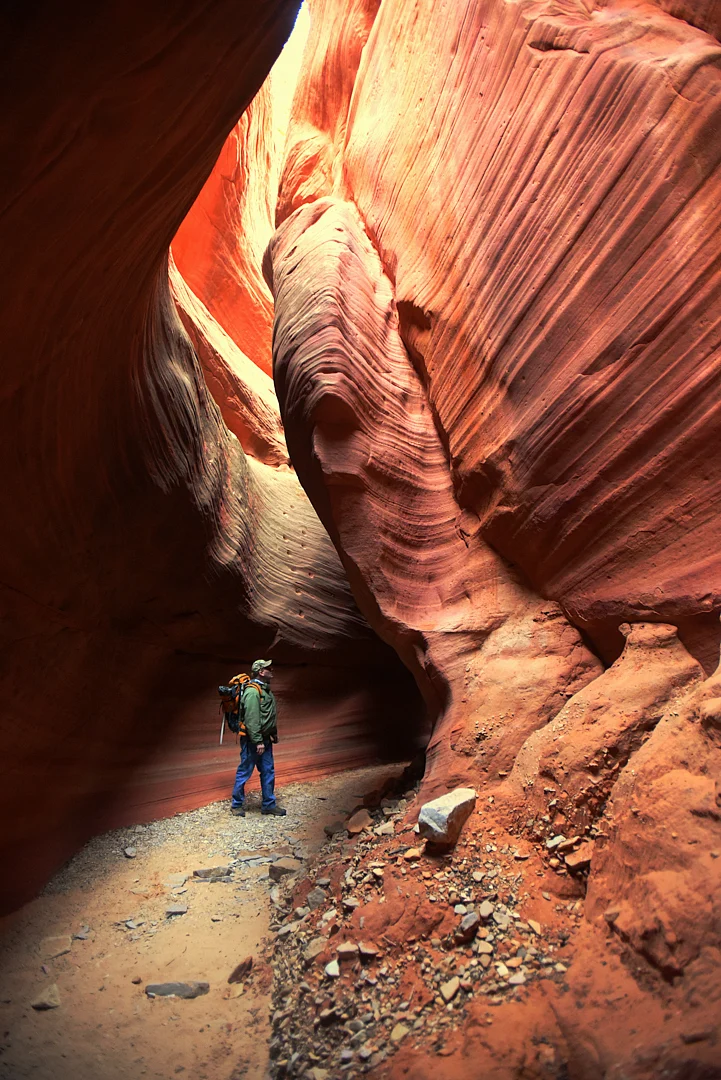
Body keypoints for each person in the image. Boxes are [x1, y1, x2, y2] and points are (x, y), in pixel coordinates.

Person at [231, 659, 286, 817]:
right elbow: (252, 719)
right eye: (268, 668)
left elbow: (268, 715)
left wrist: (273, 733)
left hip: (265, 739)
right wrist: (258, 741)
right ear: (261, 672)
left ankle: (269, 804)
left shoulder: (265, 690)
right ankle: (236, 805)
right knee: (245, 771)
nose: (271, 670)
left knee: (268, 771)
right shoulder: (253, 692)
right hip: (253, 741)